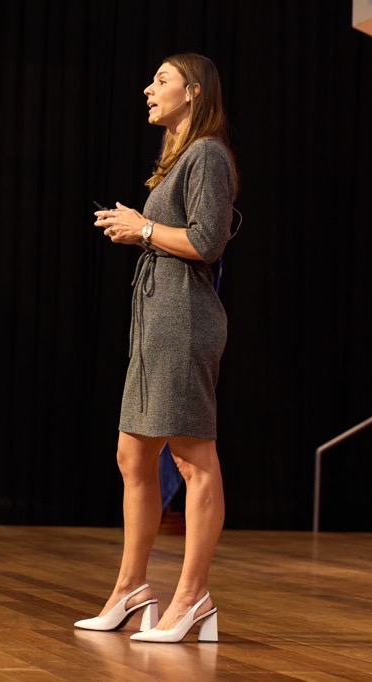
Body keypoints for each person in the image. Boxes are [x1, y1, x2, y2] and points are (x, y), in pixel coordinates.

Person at [78, 53, 238, 643]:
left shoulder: (208, 155)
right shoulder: (180, 159)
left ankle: (193, 597)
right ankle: (131, 588)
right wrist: (139, 225)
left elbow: (208, 240)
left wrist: (142, 228)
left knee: (193, 459)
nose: (148, 89)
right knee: (132, 456)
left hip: (185, 321)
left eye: (161, 80)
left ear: (193, 92)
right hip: (155, 320)